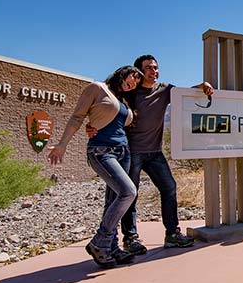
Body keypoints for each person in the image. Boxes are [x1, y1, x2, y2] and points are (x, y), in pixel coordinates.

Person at [88, 54, 214, 253]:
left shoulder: (164, 90)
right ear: (138, 71)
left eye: (155, 67)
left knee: (169, 188)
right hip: (131, 152)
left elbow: (185, 93)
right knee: (131, 195)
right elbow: (107, 107)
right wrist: (93, 126)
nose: (153, 71)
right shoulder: (130, 92)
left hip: (155, 152)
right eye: (148, 68)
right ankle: (130, 239)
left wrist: (203, 85)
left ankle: (172, 234)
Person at [47, 65, 143, 269]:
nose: (133, 83)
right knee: (128, 192)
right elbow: (77, 117)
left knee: (113, 200)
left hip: (123, 152)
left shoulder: (123, 100)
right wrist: (63, 144)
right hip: (102, 151)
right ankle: (100, 242)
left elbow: (110, 122)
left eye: (137, 82)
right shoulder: (97, 88)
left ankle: (111, 248)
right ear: (122, 73)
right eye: (133, 77)